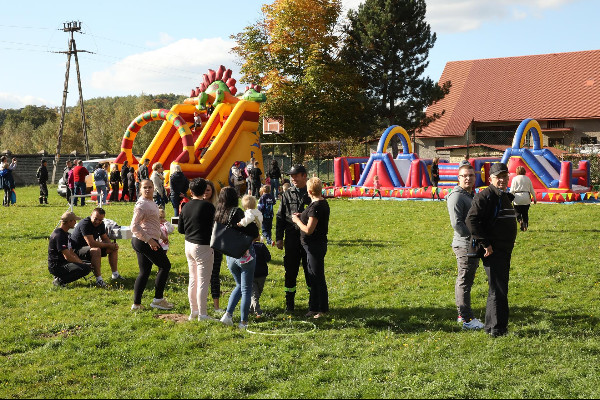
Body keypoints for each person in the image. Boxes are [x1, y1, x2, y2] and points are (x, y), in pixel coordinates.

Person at [466, 162, 518, 338]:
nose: (502, 179)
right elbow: (471, 220)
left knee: (497, 288)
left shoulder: (502, 195)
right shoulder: (485, 196)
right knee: (498, 289)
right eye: (499, 177)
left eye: (505, 176)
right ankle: (497, 329)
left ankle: (491, 326)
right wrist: (485, 243)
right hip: (493, 250)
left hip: (503, 249)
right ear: (490, 179)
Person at [446, 163, 484, 330]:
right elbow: (457, 224)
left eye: (471, 175)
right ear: (458, 178)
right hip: (465, 245)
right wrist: (474, 238)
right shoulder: (456, 196)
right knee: (464, 281)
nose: (468, 178)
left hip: (471, 244)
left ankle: (462, 315)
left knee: (465, 280)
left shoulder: (469, 194)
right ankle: (467, 319)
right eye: (464, 176)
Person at [217, 187, 260, 330]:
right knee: (246, 289)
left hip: (230, 255)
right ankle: (243, 322)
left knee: (239, 286)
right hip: (244, 254)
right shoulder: (237, 212)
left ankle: (228, 315)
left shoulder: (219, 213)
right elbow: (254, 232)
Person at [130, 179, 174, 311]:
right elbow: (134, 226)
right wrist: (150, 240)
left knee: (145, 272)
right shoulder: (141, 205)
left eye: (150, 187)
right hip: (143, 241)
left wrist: (162, 235)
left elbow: (152, 224)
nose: (147, 189)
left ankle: (136, 304)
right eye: (145, 187)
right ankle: (158, 300)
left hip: (146, 240)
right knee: (165, 266)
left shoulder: (151, 203)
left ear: (154, 188)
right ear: (140, 189)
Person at [291, 177, 330, 318]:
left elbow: (309, 230)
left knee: (318, 277)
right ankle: (313, 307)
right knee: (312, 276)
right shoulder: (318, 203)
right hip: (310, 246)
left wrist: (296, 221)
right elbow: (311, 217)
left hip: (315, 246)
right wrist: (302, 215)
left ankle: (322, 309)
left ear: (309, 191)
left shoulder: (317, 207)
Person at [178, 178, 216, 321]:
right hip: (203, 246)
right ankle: (203, 314)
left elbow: (181, 229)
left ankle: (194, 311)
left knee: (193, 279)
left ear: (191, 191)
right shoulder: (208, 207)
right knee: (203, 281)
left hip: (189, 245)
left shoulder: (186, 206)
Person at [276, 164, 312, 312]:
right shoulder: (287, 194)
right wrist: (279, 237)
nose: (293, 179)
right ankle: (289, 304)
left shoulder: (311, 193)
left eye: (296, 175)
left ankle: (313, 303)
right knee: (290, 271)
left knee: (310, 270)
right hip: (291, 237)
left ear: (304, 176)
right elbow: (280, 217)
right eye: (291, 176)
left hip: (308, 238)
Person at [70, 208, 122, 287]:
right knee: (96, 250)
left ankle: (115, 274)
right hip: (76, 250)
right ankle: (99, 280)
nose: (97, 222)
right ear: (91, 215)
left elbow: (105, 238)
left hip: (88, 248)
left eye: (100, 220)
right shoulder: (85, 224)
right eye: (95, 219)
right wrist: (108, 245)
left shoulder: (101, 224)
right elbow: (92, 244)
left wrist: (112, 245)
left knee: (113, 248)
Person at [48, 212, 92, 287]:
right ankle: (60, 281)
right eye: (74, 220)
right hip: (57, 266)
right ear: (69, 222)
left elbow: (71, 252)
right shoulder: (59, 235)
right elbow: (67, 256)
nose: (75, 223)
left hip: (64, 262)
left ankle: (60, 277)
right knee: (85, 268)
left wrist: (81, 262)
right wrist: (81, 264)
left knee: (88, 264)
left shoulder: (66, 234)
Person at [204, 180, 223, 312]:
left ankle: (216, 306)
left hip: (216, 245)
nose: (205, 193)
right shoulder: (197, 205)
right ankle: (201, 305)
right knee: (202, 275)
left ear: (212, 192)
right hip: (201, 245)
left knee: (214, 275)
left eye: (208, 190)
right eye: (204, 190)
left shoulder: (218, 207)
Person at [237, 195, 263, 265]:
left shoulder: (249, 212)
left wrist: (241, 223)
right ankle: (254, 254)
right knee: (253, 243)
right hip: (256, 229)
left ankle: (246, 256)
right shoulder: (257, 211)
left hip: (250, 230)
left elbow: (249, 218)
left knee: (247, 244)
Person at [511, 166, 537, 231]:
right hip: (526, 197)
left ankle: (520, 220)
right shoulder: (528, 179)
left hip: (517, 197)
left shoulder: (514, 179)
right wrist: (534, 198)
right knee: (525, 213)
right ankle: (525, 224)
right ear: (524, 171)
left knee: (517, 212)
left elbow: (512, 190)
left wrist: (509, 198)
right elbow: (531, 189)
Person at [250, 241, 271, 318]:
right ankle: (258, 311)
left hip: (250, 274)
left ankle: (250, 309)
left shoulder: (245, 246)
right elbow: (268, 258)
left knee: (254, 294)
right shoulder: (261, 246)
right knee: (256, 293)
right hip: (262, 274)